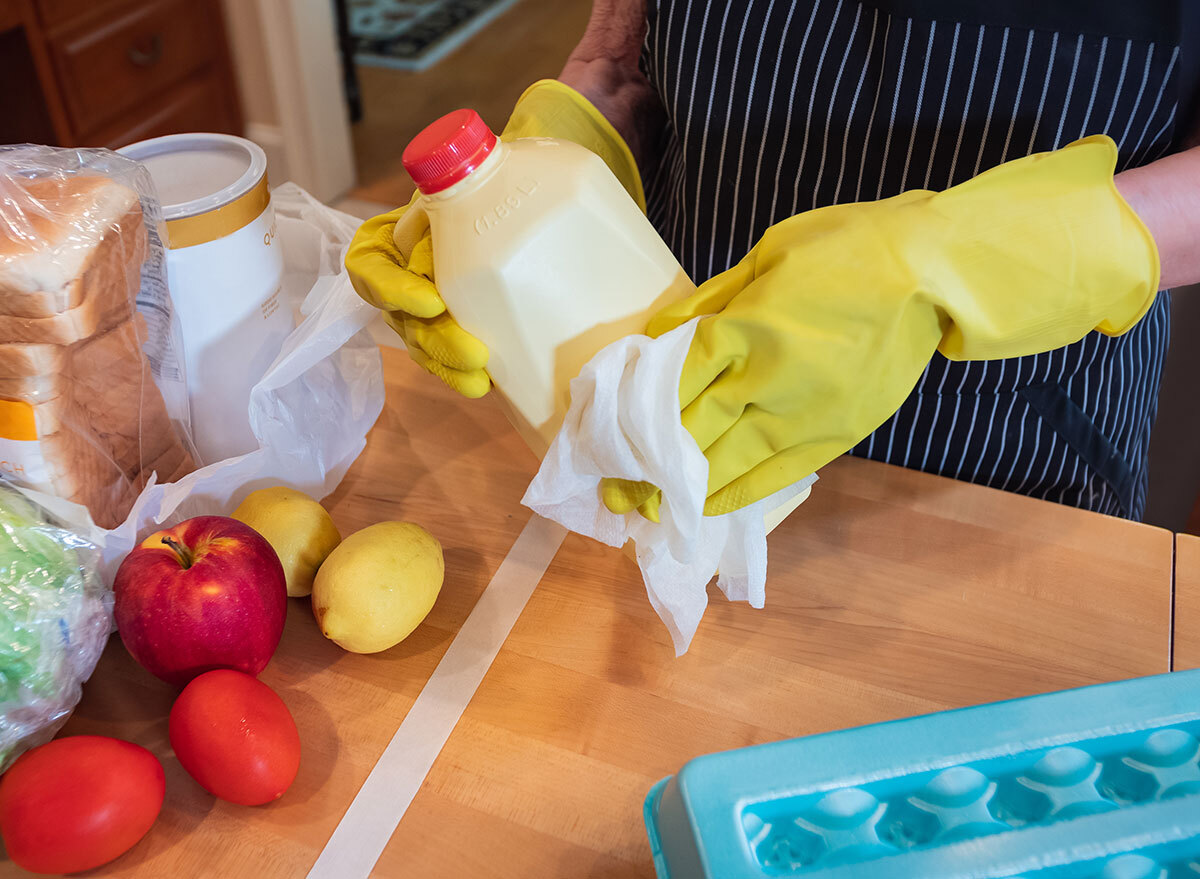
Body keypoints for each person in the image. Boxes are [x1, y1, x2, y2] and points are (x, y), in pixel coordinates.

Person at [348, 1, 1200, 522]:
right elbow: (622, 46)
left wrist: (956, 268)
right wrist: (551, 164)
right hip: (682, 406)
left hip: (1007, 440)